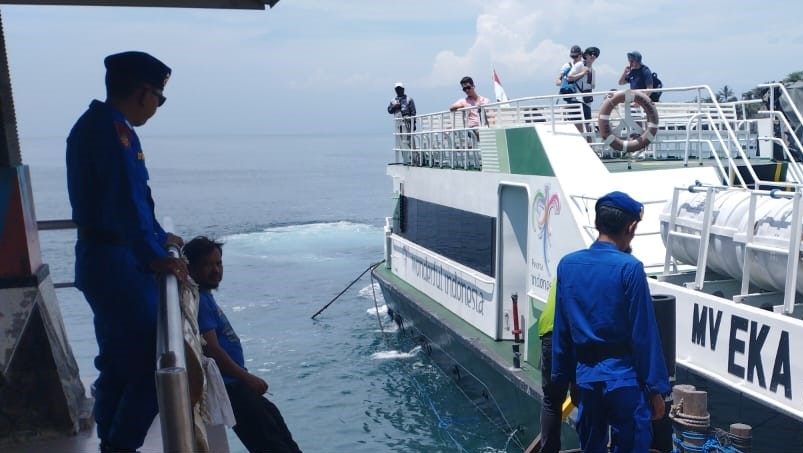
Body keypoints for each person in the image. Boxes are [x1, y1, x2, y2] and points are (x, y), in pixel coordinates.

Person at [66, 51, 188, 452]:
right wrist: (153, 256)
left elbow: (137, 202)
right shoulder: (112, 133)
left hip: (105, 259)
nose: (157, 107)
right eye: (159, 97)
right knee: (152, 370)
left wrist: (158, 237)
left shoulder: (98, 125)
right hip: (118, 264)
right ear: (141, 93)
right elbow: (126, 201)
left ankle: (111, 444)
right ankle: (119, 447)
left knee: (117, 365)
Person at [552, 191, 671, 453]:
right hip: (623, 379)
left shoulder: (567, 265)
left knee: (591, 445)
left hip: (586, 377)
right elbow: (644, 335)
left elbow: (562, 330)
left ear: (598, 224)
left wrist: (564, 377)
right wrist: (655, 390)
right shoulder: (630, 268)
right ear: (631, 227)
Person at [184, 236, 302, 453]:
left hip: (237, 385)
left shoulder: (205, 296)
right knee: (271, 444)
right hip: (232, 388)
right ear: (191, 268)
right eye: (208, 265)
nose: (216, 270)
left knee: (276, 426)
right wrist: (246, 378)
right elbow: (212, 350)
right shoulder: (200, 301)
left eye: (218, 264)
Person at [537, 279, 569, 453]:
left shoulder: (566, 266)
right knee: (590, 397)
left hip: (550, 334)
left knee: (552, 401)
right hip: (574, 333)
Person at [450, 76, 490, 147]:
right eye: (464, 89)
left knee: (490, 131)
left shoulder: (485, 100)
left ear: (473, 86)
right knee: (483, 132)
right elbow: (451, 108)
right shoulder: (463, 101)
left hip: (485, 126)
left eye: (468, 88)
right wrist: (462, 106)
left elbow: (490, 116)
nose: (467, 91)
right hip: (473, 128)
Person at [575, 47, 599, 139]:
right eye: (591, 54)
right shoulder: (579, 65)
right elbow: (569, 77)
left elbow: (593, 86)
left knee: (588, 125)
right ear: (586, 55)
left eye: (595, 55)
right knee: (579, 125)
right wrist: (583, 74)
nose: (593, 56)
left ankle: (590, 146)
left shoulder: (593, 70)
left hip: (587, 101)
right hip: (577, 100)